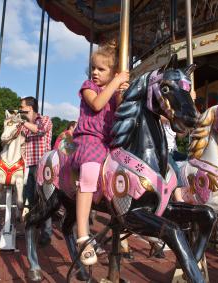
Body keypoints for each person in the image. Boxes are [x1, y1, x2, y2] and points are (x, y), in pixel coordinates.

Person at [71, 40, 129, 265]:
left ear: (112, 71)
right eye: (93, 68)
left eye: (101, 69)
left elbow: (122, 112)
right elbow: (96, 105)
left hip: (109, 143)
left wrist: (122, 92)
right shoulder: (89, 87)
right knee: (90, 170)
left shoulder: (114, 92)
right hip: (89, 139)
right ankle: (83, 236)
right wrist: (116, 82)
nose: (95, 72)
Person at [19, 96, 53, 281]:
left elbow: (40, 131)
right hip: (30, 166)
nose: (20, 109)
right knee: (32, 203)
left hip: (43, 165)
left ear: (30, 108)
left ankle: (47, 230)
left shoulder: (45, 119)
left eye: (22, 107)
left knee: (45, 200)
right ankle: (38, 229)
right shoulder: (24, 126)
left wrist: (22, 122)